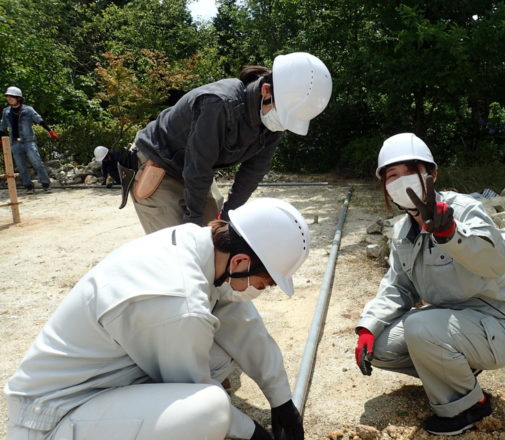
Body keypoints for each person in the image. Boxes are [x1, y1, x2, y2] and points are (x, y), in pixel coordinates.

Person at [5, 197, 311, 440]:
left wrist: (281, 400)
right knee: (210, 409)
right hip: (51, 420)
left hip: (90, 388)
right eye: (264, 283)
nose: (261, 290)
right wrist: (254, 434)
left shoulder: (198, 244)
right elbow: (195, 388)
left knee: (218, 357)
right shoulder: (180, 300)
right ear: (242, 261)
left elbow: (241, 322)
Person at [354, 133, 505, 436]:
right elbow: (398, 285)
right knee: (382, 348)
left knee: (421, 327)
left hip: (502, 325)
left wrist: (450, 233)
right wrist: (368, 327)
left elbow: (497, 259)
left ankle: (470, 407)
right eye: (391, 176)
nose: (400, 182)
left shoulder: (462, 210)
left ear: (432, 174)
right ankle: (456, 370)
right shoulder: (403, 230)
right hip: (453, 325)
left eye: (409, 172)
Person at [121, 51, 332, 234]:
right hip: (158, 164)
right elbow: (198, 168)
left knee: (216, 240)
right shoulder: (218, 104)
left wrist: (229, 216)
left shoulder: (274, 119)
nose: (282, 124)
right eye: (282, 114)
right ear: (266, 90)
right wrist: (192, 224)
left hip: (195, 170)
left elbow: (253, 172)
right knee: (179, 249)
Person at [0, 86, 59, 193]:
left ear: (18, 98)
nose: (9, 98)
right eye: (7, 96)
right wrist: (1, 139)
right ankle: (28, 187)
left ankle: (45, 184)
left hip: (28, 141)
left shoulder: (28, 110)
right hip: (14, 143)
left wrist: (50, 131)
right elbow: (3, 127)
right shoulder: (6, 111)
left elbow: (39, 120)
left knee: (37, 162)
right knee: (21, 166)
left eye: (11, 96)